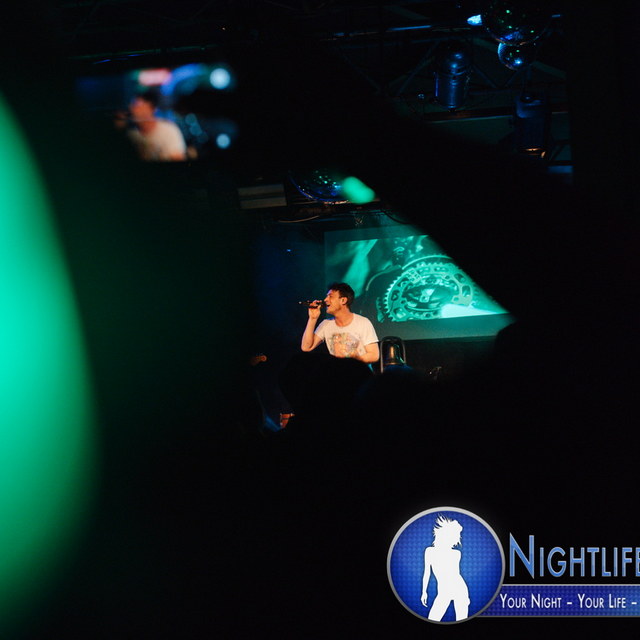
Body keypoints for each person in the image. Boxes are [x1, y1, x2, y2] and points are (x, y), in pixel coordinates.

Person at [301, 282, 379, 364]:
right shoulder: (326, 324)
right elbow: (306, 347)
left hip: (359, 370)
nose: (325, 299)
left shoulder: (363, 322)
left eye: (330, 296)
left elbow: (374, 355)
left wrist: (354, 359)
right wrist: (312, 318)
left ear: (343, 300)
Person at [421, 515, 470, 622]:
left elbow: (456, 574)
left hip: (460, 589)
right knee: (433, 618)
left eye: (456, 536)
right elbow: (427, 573)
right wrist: (424, 592)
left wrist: (465, 597)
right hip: (443, 592)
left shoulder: (456, 554)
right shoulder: (429, 551)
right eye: (455, 535)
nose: (457, 539)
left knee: (461, 619)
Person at [118, 90, 187, 162]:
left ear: (151, 108)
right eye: (132, 105)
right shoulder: (130, 132)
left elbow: (178, 159)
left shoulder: (169, 130)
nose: (132, 109)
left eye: (136, 104)